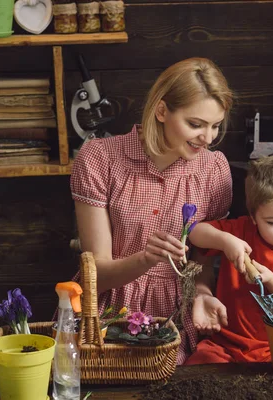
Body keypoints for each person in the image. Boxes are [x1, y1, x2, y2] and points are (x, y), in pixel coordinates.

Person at [69, 57, 234, 364]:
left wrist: (202, 296)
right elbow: (96, 277)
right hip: (108, 320)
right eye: (195, 124)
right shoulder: (100, 159)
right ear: (161, 111)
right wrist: (144, 259)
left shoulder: (214, 170)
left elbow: (201, 265)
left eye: (215, 126)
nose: (208, 138)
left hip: (176, 322)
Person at [185, 154, 273, 364]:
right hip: (223, 345)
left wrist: (270, 280)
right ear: (254, 218)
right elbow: (193, 231)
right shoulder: (241, 231)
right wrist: (225, 241)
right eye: (272, 222)